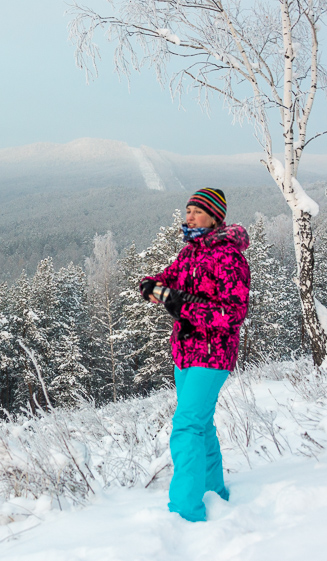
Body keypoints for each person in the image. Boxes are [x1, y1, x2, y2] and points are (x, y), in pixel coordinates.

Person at [139, 187, 250, 522]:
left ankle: (186, 511)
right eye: (187, 211)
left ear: (215, 217)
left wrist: (181, 305)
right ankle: (215, 492)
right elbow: (167, 279)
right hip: (185, 351)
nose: (189, 217)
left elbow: (234, 313)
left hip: (214, 353)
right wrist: (151, 285)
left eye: (197, 212)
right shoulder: (190, 253)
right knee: (201, 423)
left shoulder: (229, 256)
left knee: (186, 426)